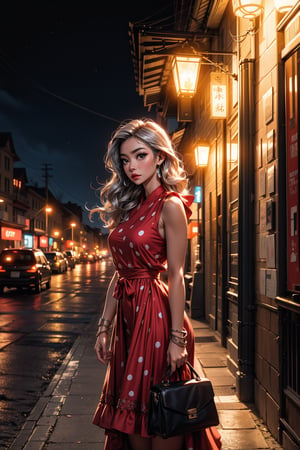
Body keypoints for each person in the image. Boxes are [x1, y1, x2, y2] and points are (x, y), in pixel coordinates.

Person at [91, 119, 221, 450]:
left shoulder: (171, 205)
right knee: (133, 421)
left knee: (165, 416)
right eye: (125, 159)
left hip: (158, 321)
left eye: (140, 155)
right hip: (129, 321)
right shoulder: (130, 206)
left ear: (160, 156)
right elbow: (121, 274)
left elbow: (176, 274)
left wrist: (177, 340)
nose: (131, 166)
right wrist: (104, 327)